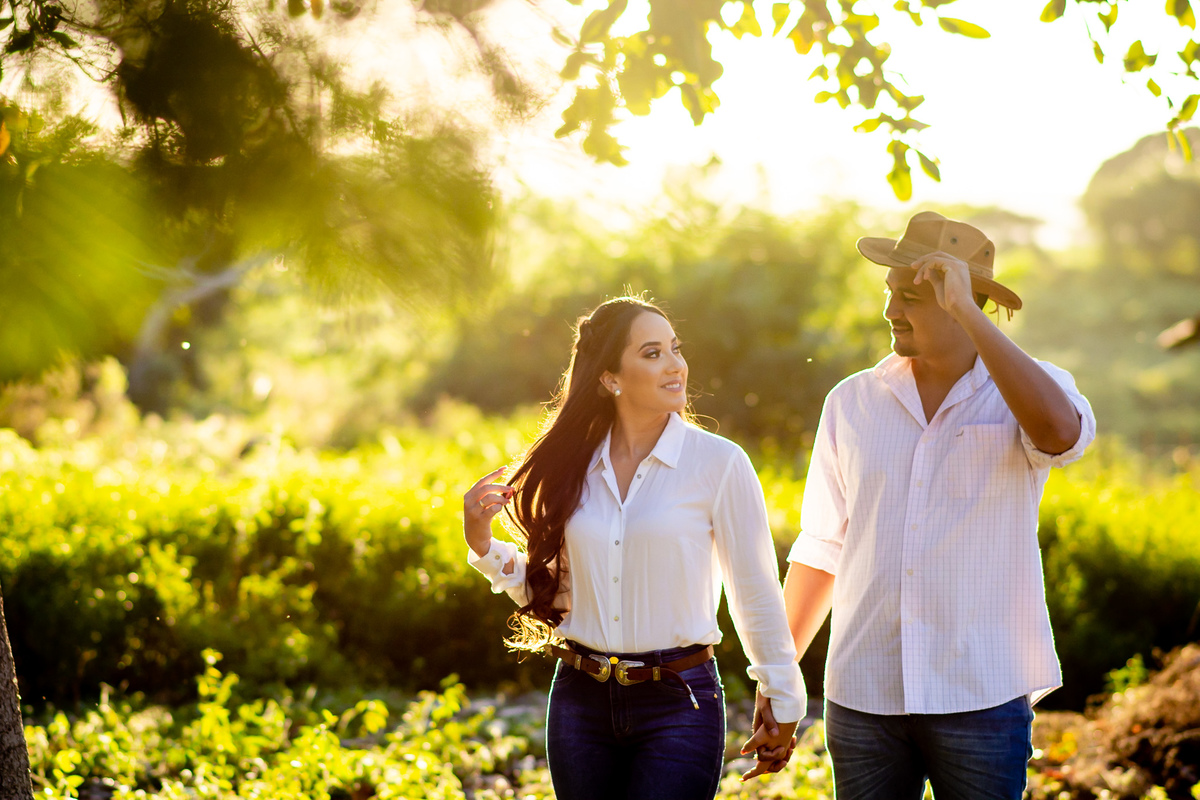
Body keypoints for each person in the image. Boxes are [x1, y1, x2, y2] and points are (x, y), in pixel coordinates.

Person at [781, 212, 1096, 800]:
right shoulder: (851, 402)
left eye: (911, 298)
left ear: (964, 303)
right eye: (889, 294)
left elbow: (1059, 434)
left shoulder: (1034, 389)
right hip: (863, 695)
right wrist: (779, 675)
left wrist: (966, 313)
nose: (890, 312)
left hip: (981, 695)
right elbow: (823, 544)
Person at [462, 295, 805, 800]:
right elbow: (552, 588)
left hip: (679, 702)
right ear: (609, 379)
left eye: (675, 348)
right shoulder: (571, 468)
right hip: (580, 701)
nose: (676, 365)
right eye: (652, 353)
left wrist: (782, 696)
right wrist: (482, 541)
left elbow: (755, 592)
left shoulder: (719, 463)